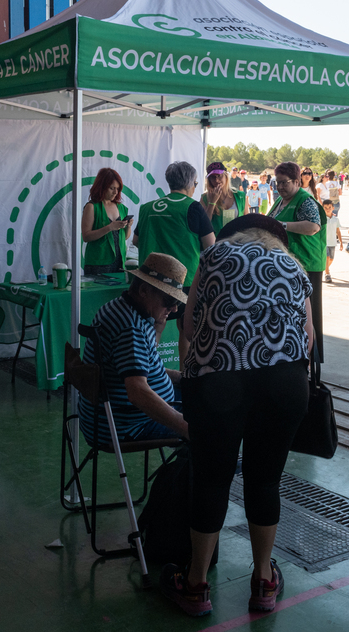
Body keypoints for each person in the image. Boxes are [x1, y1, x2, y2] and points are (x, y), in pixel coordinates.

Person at [163, 215, 312, 617]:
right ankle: (263, 580)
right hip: (285, 385)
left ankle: (196, 586)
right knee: (264, 480)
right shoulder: (294, 266)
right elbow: (309, 339)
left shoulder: (213, 256)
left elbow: (190, 325)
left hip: (219, 382)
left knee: (211, 480)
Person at [78, 253, 187, 447]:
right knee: (209, 426)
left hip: (105, 417)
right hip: (127, 426)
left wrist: (179, 377)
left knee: (203, 395)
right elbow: (137, 391)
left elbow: (141, 368)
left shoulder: (118, 307)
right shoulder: (130, 328)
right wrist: (186, 427)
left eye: (176, 302)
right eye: (169, 301)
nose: (174, 309)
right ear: (144, 290)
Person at [134, 161, 216, 359]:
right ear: (191, 184)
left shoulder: (146, 208)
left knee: (154, 329)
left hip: (150, 279)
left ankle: (148, 374)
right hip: (184, 282)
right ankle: (185, 379)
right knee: (186, 331)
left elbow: (136, 241)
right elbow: (211, 246)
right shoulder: (193, 208)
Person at [268, 162, 327, 352]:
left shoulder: (305, 200)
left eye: (284, 183)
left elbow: (313, 227)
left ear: (296, 181)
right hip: (287, 265)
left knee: (307, 317)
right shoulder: (280, 200)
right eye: (277, 183)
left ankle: (310, 360)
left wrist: (283, 225)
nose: (280, 187)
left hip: (306, 265)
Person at [81, 167, 132, 275]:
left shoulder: (121, 208)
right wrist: (109, 227)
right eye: (112, 188)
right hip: (98, 263)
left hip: (120, 262)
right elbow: (86, 236)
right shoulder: (91, 207)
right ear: (101, 187)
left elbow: (125, 237)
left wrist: (128, 226)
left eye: (118, 188)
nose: (115, 192)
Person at [199, 162, 246, 235]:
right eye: (212, 177)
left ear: (226, 176)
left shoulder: (240, 196)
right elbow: (204, 224)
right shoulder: (204, 198)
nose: (216, 180)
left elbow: (248, 221)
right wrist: (212, 202)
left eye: (219, 176)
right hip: (216, 242)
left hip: (237, 242)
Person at [322, 199, 341, 283]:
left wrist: (341, 242)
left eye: (329, 207)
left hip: (333, 242)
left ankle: (324, 268)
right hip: (324, 242)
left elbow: (338, 231)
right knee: (327, 257)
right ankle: (327, 274)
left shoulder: (335, 219)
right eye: (325, 207)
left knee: (331, 259)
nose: (327, 209)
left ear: (333, 208)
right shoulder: (321, 219)